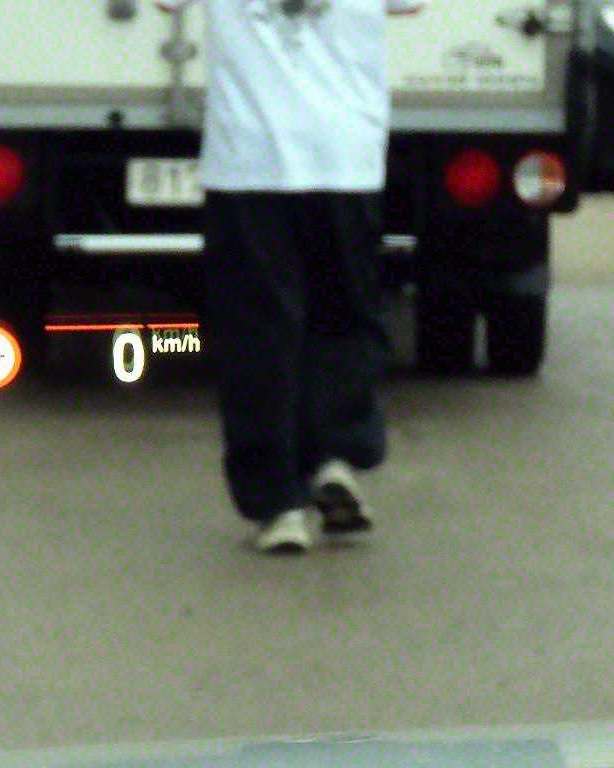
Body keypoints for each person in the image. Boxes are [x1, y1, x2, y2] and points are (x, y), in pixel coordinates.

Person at [155, 0, 427, 553]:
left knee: (257, 331)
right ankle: (334, 454)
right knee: (344, 315)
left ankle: (277, 503)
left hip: (250, 164)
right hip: (344, 158)